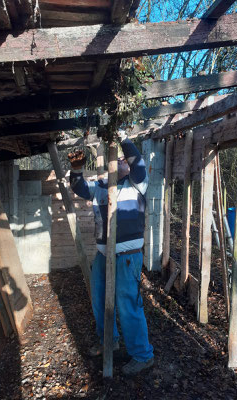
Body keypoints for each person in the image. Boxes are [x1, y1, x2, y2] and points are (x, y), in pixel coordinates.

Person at [68, 131, 154, 375]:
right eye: (120, 161)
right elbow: (80, 188)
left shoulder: (138, 184)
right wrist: (76, 169)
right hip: (103, 255)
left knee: (128, 305)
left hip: (127, 257)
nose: (123, 164)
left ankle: (142, 355)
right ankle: (110, 340)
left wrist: (124, 138)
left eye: (124, 161)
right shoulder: (101, 189)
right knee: (99, 299)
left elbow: (137, 163)